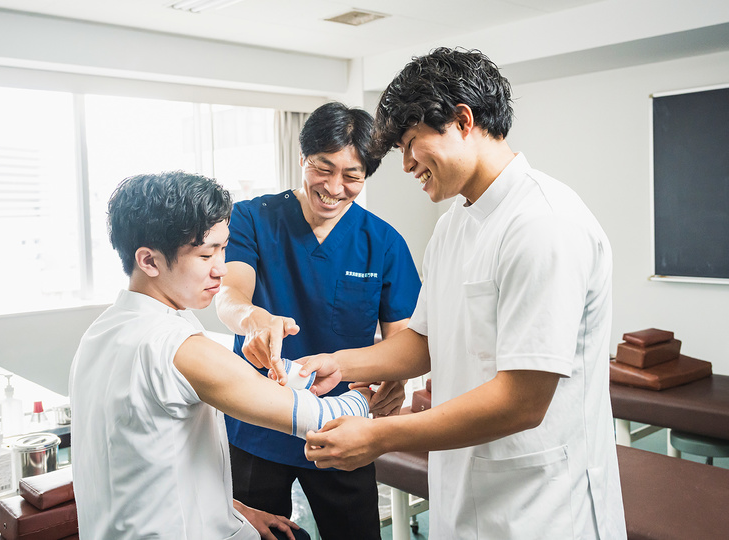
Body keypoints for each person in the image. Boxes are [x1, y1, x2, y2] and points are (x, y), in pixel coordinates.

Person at [300, 48, 627, 539]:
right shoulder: (454, 225)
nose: (407, 165)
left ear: (463, 120)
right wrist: (341, 363)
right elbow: (425, 341)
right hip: (466, 491)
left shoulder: (545, 224)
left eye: (412, 143)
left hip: (543, 506)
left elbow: (523, 401)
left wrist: (380, 436)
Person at [69, 171, 371, 540]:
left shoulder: (102, 331)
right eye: (205, 253)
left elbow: (146, 460)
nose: (221, 268)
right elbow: (320, 418)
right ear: (149, 261)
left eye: (224, 248)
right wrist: (369, 393)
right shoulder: (179, 348)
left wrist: (234, 508)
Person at [215, 102, 422, 539]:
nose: (333, 187)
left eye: (351, 176)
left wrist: (395, 382)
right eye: (323, 169)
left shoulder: (383, 244)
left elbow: (400, 345)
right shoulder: (253, 219)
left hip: (342, 427)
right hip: (258, 423)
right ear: (302, 158)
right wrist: (253, 319)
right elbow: (230, 294)